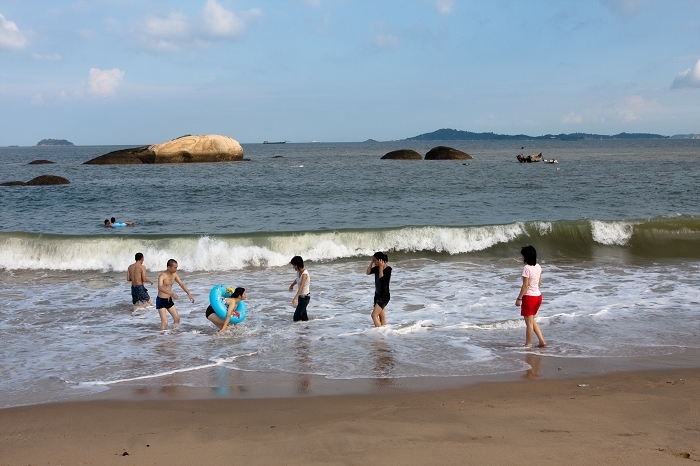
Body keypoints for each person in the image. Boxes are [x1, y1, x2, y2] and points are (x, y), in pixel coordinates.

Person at [515, 245, 546, 348]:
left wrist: (519, 298)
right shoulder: (538, 266)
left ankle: (528, 344)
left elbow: (525, 285)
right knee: (532, 320)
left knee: (529, 323)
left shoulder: (526, 268)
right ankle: (541, 340)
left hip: (529, 298)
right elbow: (539, 282)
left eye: (522, 256)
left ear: (526, 256)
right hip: (538, 296)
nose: (522, 258)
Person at [156, 259, 194, 330]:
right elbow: (160, 287)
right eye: (174, 268)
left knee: (177, 319)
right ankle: (162, 337)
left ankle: (175, 334)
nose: (176, 269)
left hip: (168, 300)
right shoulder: (162, 276)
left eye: (176, 267)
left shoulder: (174, 275)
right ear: (168, 267)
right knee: (165, 322)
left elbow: (181, 284)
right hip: (161, 300)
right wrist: (171, 293)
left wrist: (189, 294)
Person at [366, 251, 392, 327]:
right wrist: (371, 262)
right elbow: (368, 272)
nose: (374, 262)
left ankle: (379, 332)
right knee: (382, 317)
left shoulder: (388, 269)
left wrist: (381, 267)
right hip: (377, 295)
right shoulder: (376, 268)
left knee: (373, 315)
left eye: (375, 260)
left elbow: (381, 278)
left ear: (380, 260)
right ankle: (383, 334)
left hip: (384, 296)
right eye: (373, 260)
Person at [288, 256, 310, 322]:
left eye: (294, 265)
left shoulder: (304, 274)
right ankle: (305, 330)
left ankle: (298, 331)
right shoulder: (298, 272)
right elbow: (297, 279)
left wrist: (295, 299)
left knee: (296, 316)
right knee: (304, 317)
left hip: (305, 298)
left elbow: (301, 287)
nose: (293, 267)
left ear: (297, 265)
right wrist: (292, 285)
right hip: (301, 297)